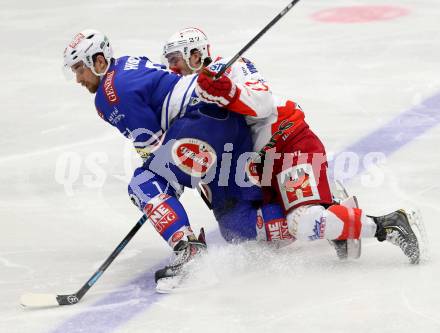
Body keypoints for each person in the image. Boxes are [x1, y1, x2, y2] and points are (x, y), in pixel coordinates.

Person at [63, 29, 308, 288]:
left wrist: (161, 196)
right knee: (237, 225)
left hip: (202, 123)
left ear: (99, 61)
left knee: (143, 183)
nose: (78, 78)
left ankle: (187, 248)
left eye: (80, 69)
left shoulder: (110, 93)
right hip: (229, 125)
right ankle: (313, 212)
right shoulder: (125, 66)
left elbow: (153, 146)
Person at [162, 27, 423, 264]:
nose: (172, 69)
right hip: (260, 163)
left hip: (289, 142)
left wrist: (227, 91)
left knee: (303, 222)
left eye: (175, 60)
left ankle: (390, 224)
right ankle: (333, 211)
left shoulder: (230, 68)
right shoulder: (184, 97)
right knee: (244, 231)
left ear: (195, 54)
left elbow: (262, 104)